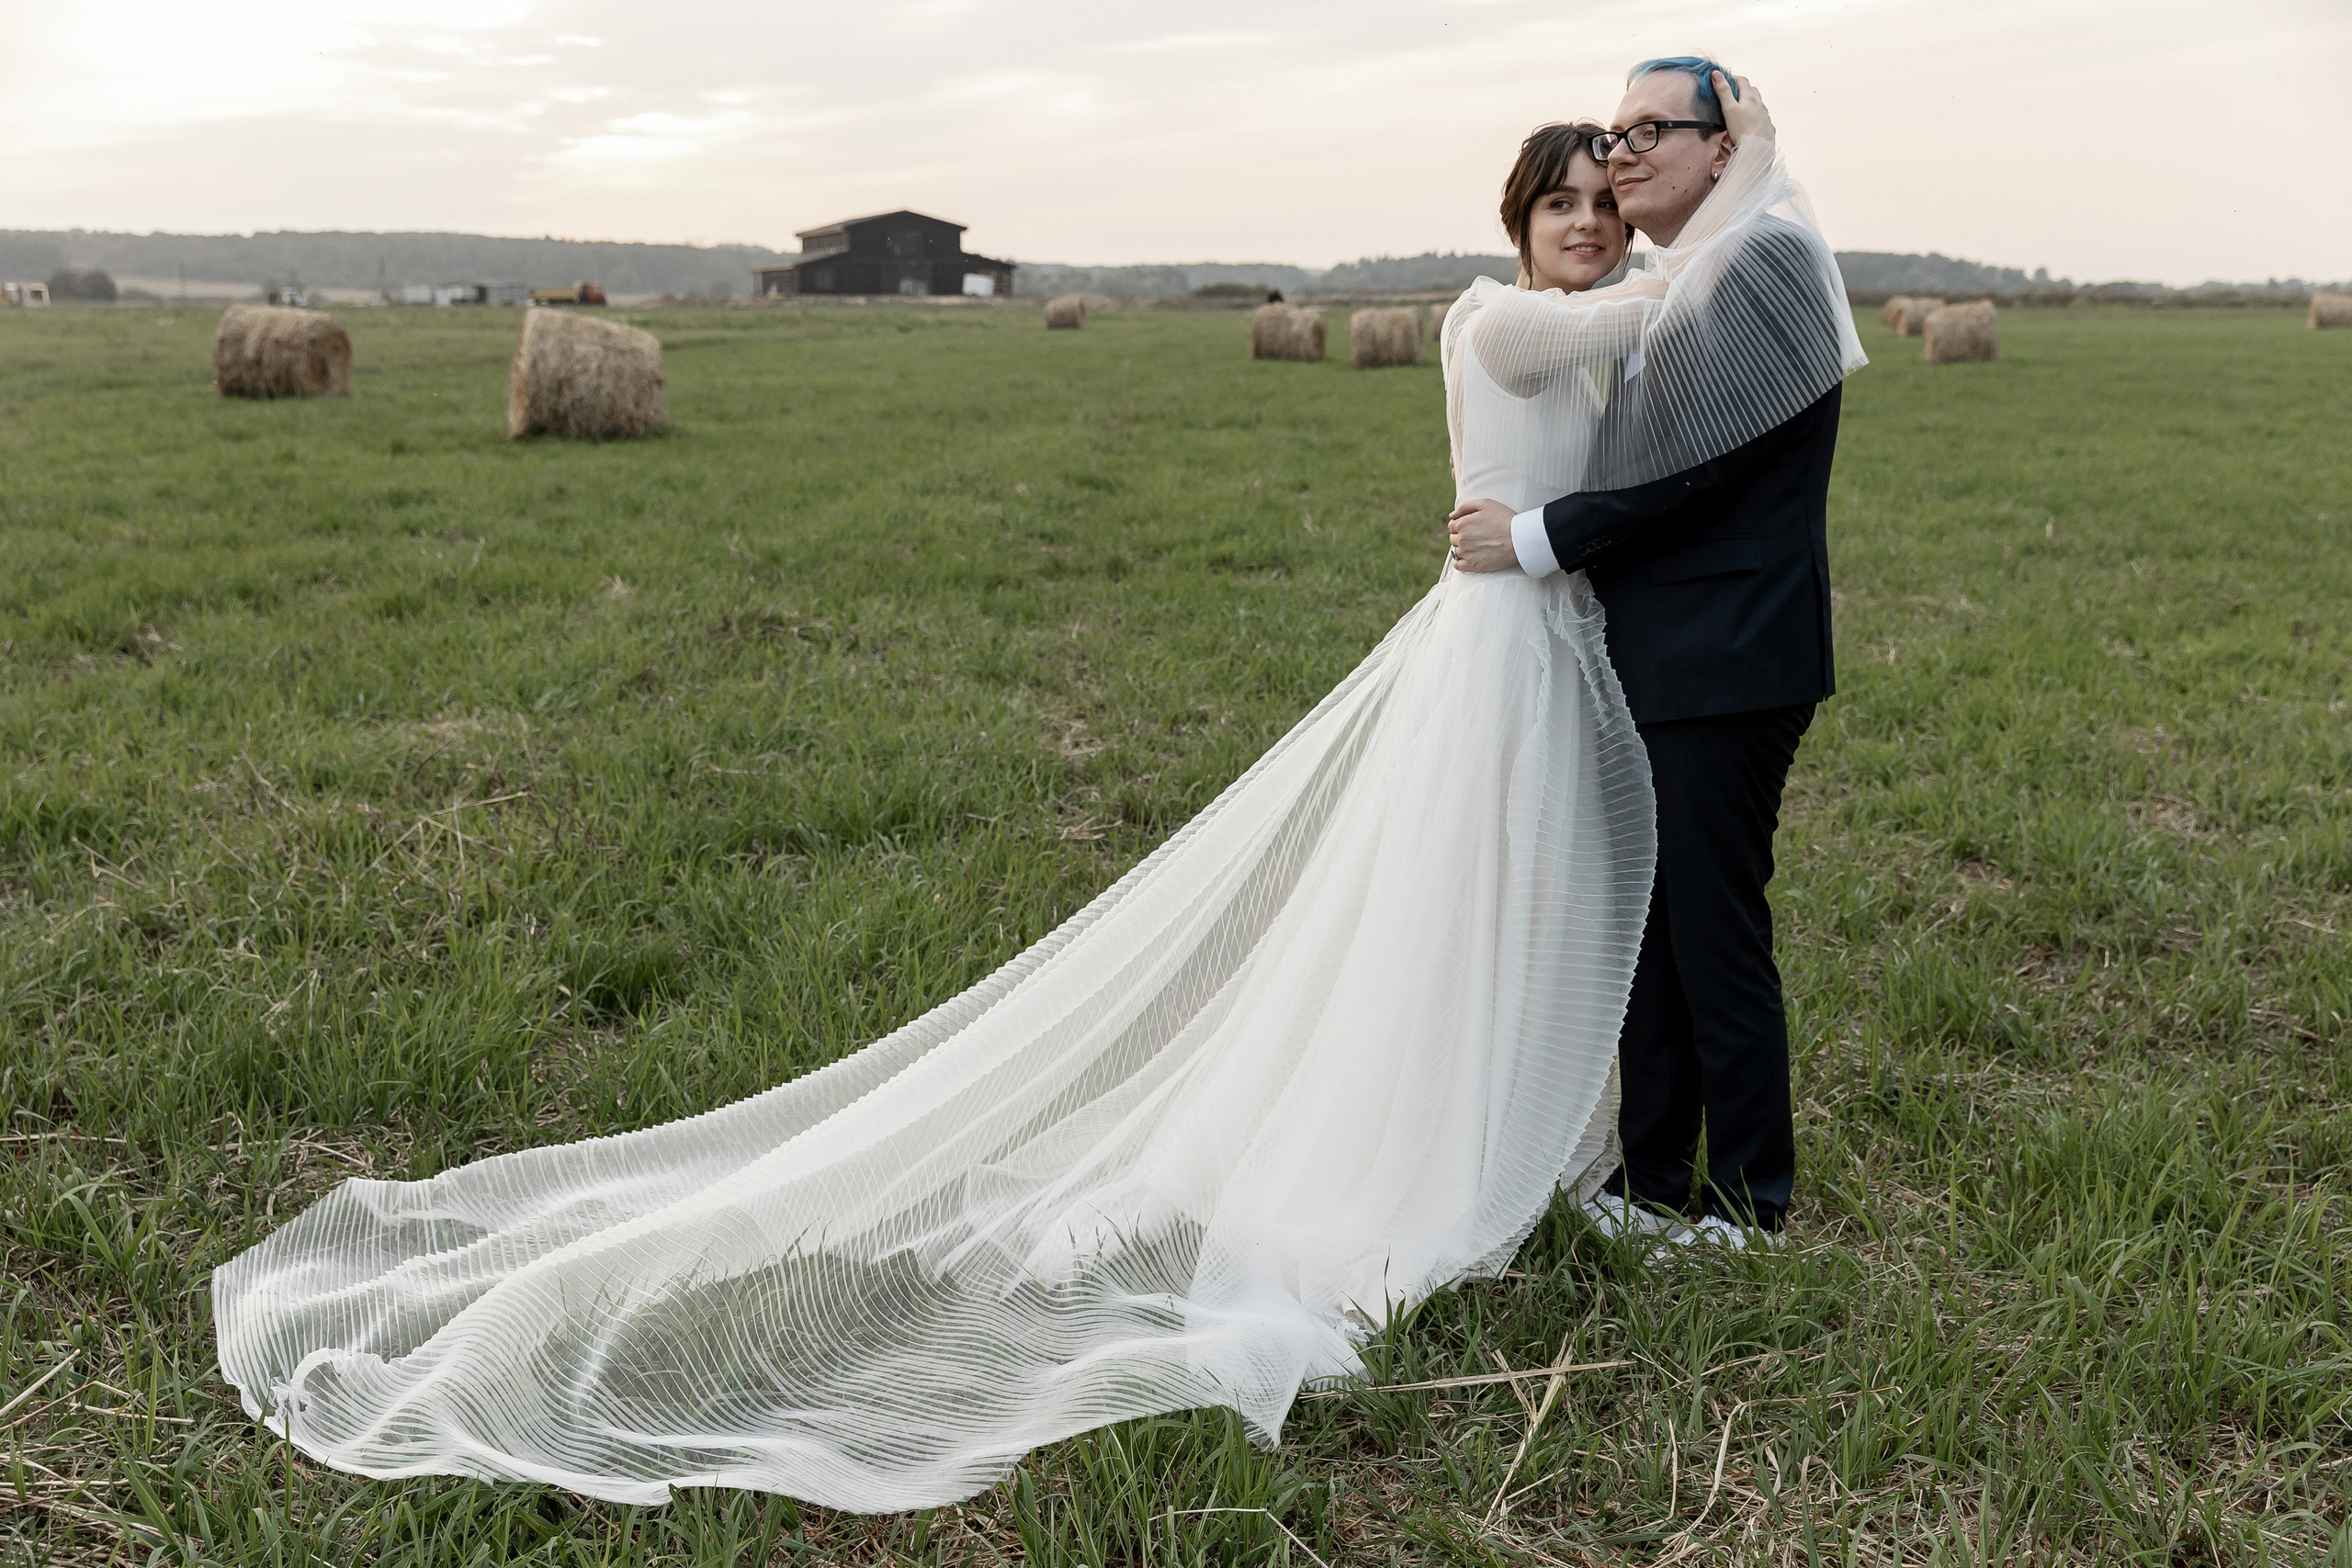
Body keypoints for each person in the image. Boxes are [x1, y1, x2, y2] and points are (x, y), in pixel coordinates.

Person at [213, 78, 1859, 1514]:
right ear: (1519, 219)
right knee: (1455, 904)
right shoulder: (1499, 317)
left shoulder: (1602, 311)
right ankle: (1439, 1157)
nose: (1586, 220)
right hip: (1494, 650)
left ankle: (1586, 1143)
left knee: (1561, 900)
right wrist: (1748, 179)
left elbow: (1666, 385)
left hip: (1563, 636)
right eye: (1561, 201)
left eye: (1602, 199)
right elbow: (1643, 324)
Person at [1447, 60, 1856, 1247]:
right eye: (1610, 137)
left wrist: (1535, 535)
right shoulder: (1679, 275)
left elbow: (1700, 472)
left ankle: (1748, 1200)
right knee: (1657, 923)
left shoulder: (1763, 260)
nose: (1621, 159)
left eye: (1646, 133)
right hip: (1660, 646)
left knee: (1712, 926)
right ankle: (1650, 1177)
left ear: (1723, 149)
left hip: (1729, 653)